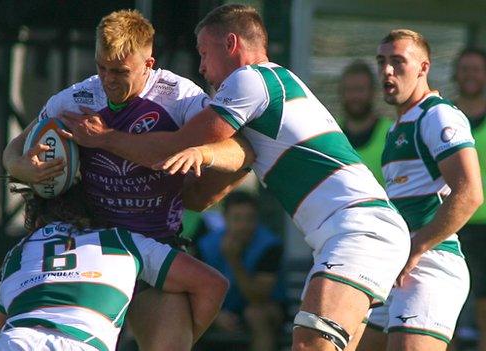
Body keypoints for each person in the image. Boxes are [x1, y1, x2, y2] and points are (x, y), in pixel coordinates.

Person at [62, 4, 412, 351]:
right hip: (359, 231)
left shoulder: (251, 79)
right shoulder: (271, 89)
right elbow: (200, 196)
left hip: (358, 228)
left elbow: (173, 146)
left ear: (231, 44)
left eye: (203, 53)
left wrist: (104, 138)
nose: (200, 67)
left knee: (309, 344)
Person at [2, 9, 252, 350]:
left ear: (149, 64)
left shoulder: (180, 98)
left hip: (157, 251)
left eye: (120, 71)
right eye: (101, 68)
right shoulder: (77, 98)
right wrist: (24, 169)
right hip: (96, 251)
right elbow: (13, 151)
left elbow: (242, 152)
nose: (108, 80)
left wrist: (203, 161)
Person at [356, 29, 483, 351]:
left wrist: (415, 248)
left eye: (398, 61)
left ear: (423, 68)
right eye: (381, 61)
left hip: (431, 264)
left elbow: (469, 194)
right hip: (398, 267)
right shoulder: (397, 126)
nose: (387, 70)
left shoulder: (437, 114)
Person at [0, 181, 229, 351]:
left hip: (16, 340)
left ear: (38, 216)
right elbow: (212, 285)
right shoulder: (121, 241)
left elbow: (4, 324)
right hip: (81, 343)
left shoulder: (18, 252)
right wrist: (183, 338)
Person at [197, 191, 284, 351]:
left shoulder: (270, 246)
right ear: (225, 219)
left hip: (264, 307)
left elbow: (258, 297)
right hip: (219, 309)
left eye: (250, 218)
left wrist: (234, 261)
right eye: (237, 218)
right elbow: (196, 290)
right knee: (184, 312)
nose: (244, 226)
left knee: (256, 315)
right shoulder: (205, 244)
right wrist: (216, 315)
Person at [453, 47, 486, 351]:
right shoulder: (444, 117)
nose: (471, 75)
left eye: (477, 69)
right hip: (451, 224)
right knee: (445, 302)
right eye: (465, 69)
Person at [339, 60, 392, 184]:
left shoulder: (391, 134)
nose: (354, 96)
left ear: (373, 92)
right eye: (349, 90)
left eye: (360, 89)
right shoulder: (330, 133)